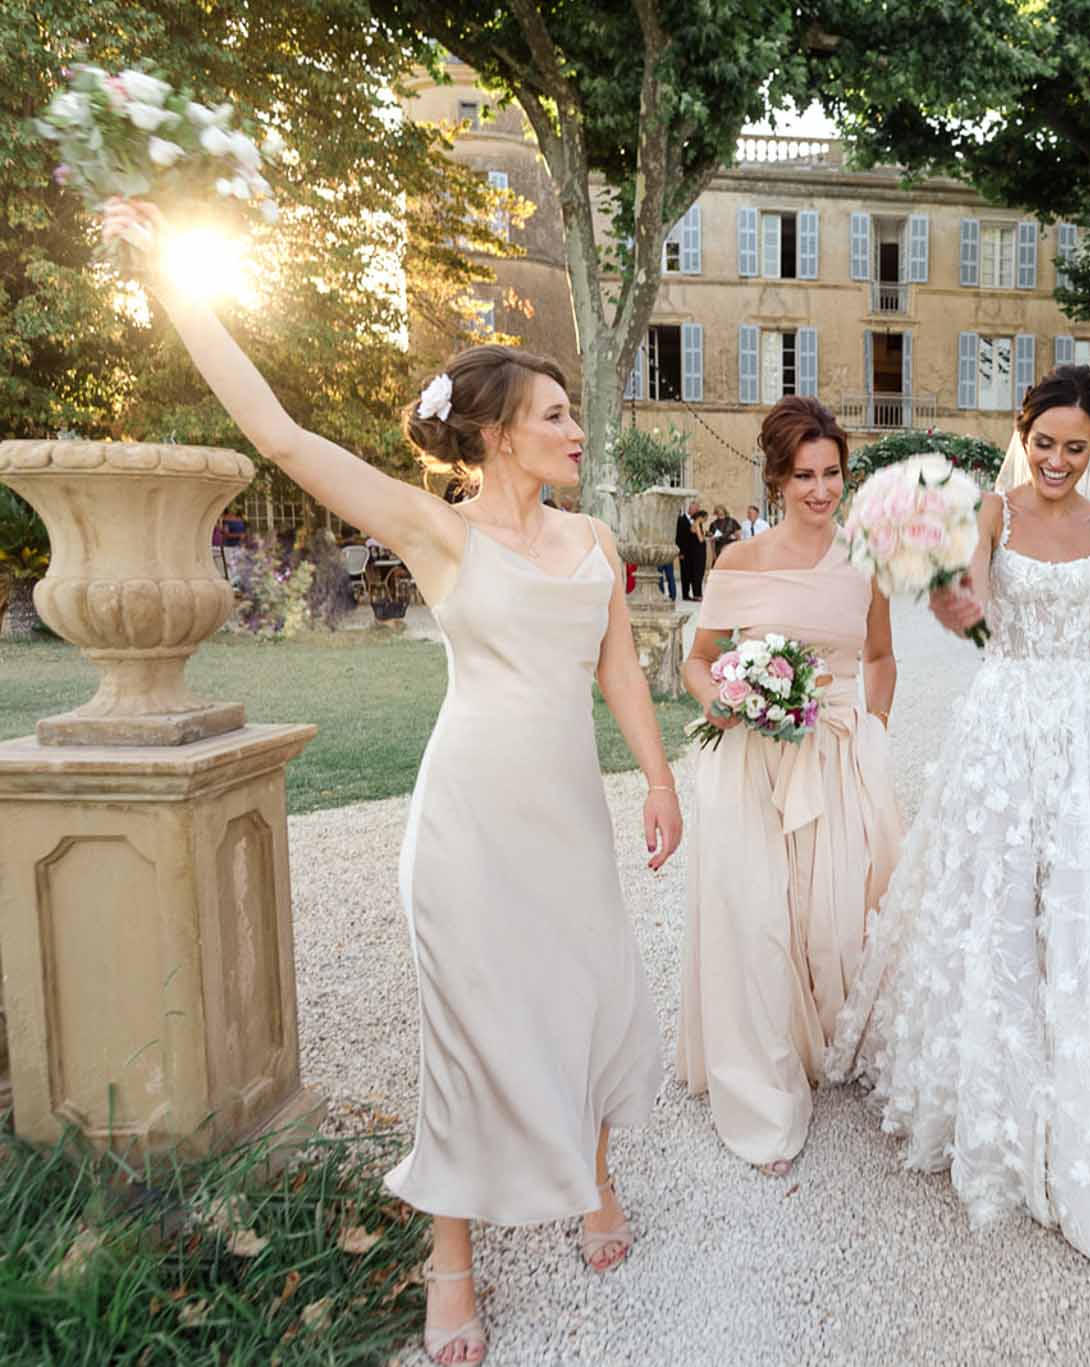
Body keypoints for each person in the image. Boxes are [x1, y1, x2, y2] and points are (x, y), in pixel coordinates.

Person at [102, 201, 675, 1367]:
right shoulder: (435, 530)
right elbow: (277, 433)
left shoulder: (597, 542)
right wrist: (174, 276)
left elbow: (616, 662)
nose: (574, 431)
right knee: (467, 1021)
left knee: (589, 988)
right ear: (501, 436)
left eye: (570, 414)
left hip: (568, 815)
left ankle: (592, 1178)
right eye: (556, 415)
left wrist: (658, 782)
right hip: (467, 816)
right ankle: (448, 1258)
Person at [828, 364, 1090, 1274]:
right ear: (1026, 434)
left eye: (1076, 447)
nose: (1058, 459)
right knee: (998, 895)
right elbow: (966, 600)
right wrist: (954, 596)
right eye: (1045, 442)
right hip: (1004, 719)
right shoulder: (993, 514)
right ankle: (999, 1086)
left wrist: (1079, 698)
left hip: (1084, 721)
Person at [678, 397, 903, 1175]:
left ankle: (824, 1042)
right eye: (804, 475)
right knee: (760, 918)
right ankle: (764, 1089)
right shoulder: (738, 561)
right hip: (753, 759)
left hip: (836, 751)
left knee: (835, 913)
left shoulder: (866, 556)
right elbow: (697, 659)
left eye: (832, 472)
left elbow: (879, 657)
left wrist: (871, 729)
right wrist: (728, 703)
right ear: (776, 477)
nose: (820, 489)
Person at [678, 500, 707, 600]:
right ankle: (685, 595)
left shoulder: (697, 522)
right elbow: (679, 537)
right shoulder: (681, 520)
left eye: (698, 509)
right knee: (685, 574)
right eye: (696, 509)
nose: (697, 511)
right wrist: (680, 552)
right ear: (690, 509)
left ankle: (696, 593)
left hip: (695, 552)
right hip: (685, 552)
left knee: (694, 573)